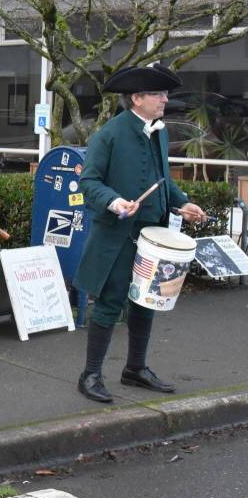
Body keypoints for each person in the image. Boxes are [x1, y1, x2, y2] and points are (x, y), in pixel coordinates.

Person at [74, 66, 207, 403]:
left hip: (154, 237)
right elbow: (88, 183)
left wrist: (182, 203)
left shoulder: (158, 132)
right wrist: (115, 201)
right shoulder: (109, 134)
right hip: (118, 236)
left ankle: (135, 369)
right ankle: (89, 375)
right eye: (158, 94)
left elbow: (162, 180)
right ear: (137, 98)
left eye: (164, 94)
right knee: (109, 302)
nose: (165, 99)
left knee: (145, 301)